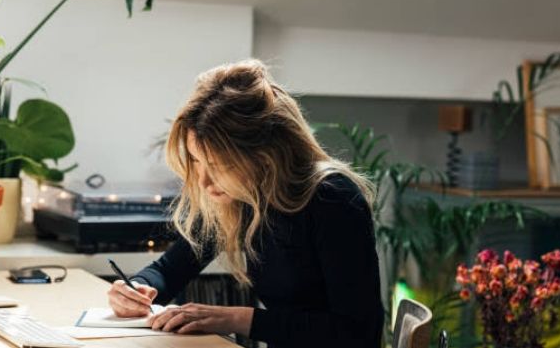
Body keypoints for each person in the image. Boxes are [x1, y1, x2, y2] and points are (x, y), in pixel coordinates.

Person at [107, 59, 384, 347]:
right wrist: (139, 288)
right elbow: (170, 269)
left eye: (218, 165)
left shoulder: (332, 198)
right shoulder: (241, 197)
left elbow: (357, 332)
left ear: (265, 156)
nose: (202, 182)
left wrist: (236, 318)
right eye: (198, 162)